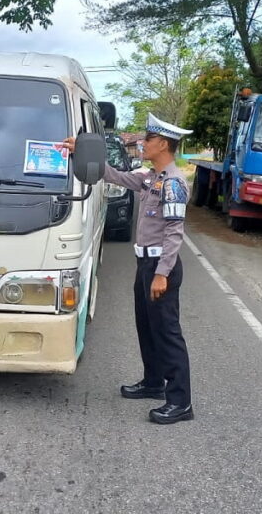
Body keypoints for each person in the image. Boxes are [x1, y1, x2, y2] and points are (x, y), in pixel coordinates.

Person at [62, 113, 194, 425]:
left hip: (161, 267)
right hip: (145, 263)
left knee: (167, 333)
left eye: (147, 140)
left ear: (162, 144)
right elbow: (114, 175)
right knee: (147, 328)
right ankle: (153, 382)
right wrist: (80, 151)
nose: (141, 144)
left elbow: (174, 232)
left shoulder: (173, 183)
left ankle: (180, 401)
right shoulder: (150, 178)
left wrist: (162, 273)